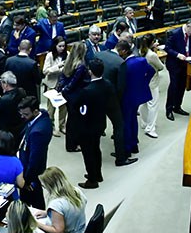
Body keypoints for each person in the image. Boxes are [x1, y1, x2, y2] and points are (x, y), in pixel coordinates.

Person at [75, 59, 113, 189]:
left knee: (88, 153)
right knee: (96, 149)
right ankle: (98, 174)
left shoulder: (87, 91)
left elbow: (82, 111)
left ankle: (92, 179)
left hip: (87, 127)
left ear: (90, 72)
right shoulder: (107, 84)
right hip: (100, 123)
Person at [34, 167, 88, 233]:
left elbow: (58, 232)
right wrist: (48, 213)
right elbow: (71, 210)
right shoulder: (76, 191)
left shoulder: (56, 204)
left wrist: (36, 224)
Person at [117, 39, 154, 157]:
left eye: (118, 51)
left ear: (123, 51)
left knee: (126, 122)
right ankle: (134, 145)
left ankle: (127, 148)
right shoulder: (142, 60)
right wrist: (144, 83)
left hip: (127, 97)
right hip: (137, 96)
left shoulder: (124, 65)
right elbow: (152, 71)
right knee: (133, 120)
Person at [17, 95, 50, 209]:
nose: (22, 117)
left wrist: (26, 179)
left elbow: (34, 160)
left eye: (26, 114)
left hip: (31, 173)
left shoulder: (38, 132)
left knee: (33, 199)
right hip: (29, 165)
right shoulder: (43, 115)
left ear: (35, 111)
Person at [164, 18, 191, 121]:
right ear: (188, 26)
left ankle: (177, 107)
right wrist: (178, 55)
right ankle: (169, 109)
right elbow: (167, 48)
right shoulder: (175, 33)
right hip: (174, 63)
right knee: (174, 86)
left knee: (182, 86)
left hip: (186, 63)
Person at [59, 42, 91, 152]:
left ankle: (71, 143)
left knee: (71, 120)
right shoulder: (81, 65)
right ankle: (73, 145)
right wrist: (66, 89)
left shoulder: (68, 61)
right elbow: (74, 82)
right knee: (76, 121)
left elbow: (63, 78)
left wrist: (62, 90)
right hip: (76, 96)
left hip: (69, 96)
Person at [138, 34, 165, 139]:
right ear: (152, 43)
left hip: (143, 81)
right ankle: (150, 128)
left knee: (144, 103)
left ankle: (144, 123)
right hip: (152, 83)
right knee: (153, 105)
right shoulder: (152, 55)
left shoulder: (142, 51)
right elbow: (161, 67)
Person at [0, 71, 26, 143]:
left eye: (2, 83)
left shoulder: (4, 99)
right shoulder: (21, 92)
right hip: (18, 126)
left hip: (5, 128)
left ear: (6, 84)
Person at [42, 37, 68, 135]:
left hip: (63, 85)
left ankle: (62, 125)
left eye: (63, 46)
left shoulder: (67, 55)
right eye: (59, 46)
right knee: (51, 108)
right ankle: (51, 126)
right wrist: (58, 67)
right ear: (55, 46)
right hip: (52, 85)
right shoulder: (49, 55)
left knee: (63, 107)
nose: (62, 48)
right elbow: (45, 71)